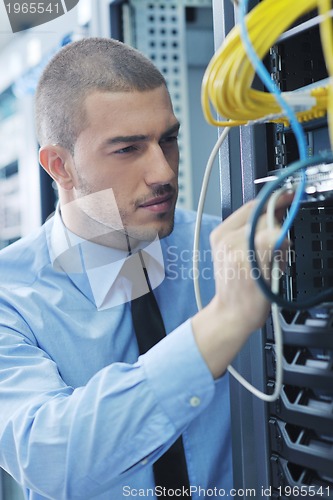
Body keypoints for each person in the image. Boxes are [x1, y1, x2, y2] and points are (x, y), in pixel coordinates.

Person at [0, 37, 287, 499]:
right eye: (128, 149)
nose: (164, 173)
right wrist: (221, 324)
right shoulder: (10, 295)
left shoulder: (226, 253)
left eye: (167, 140)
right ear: (61, 166)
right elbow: (51, 457)